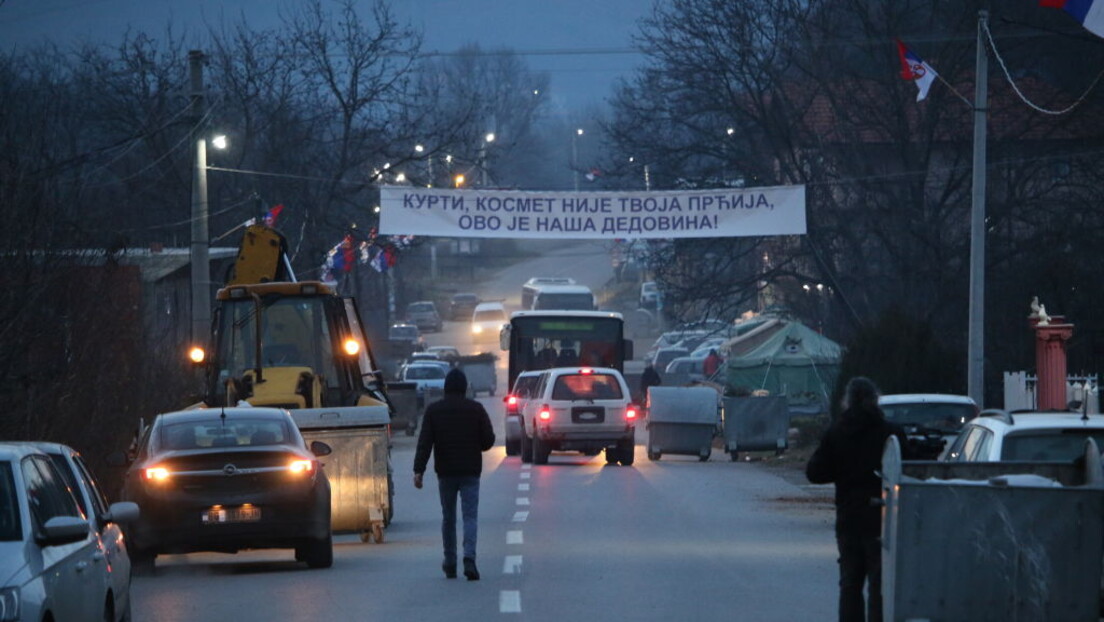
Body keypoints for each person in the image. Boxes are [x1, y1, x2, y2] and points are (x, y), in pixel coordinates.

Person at [806, 377, 908, 622]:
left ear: (848, 400)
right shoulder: (890, 433)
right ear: (874, 399)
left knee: (850, 583)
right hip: (882, 518)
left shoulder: (837, 433)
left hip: (849, 518)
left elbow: (815, 473)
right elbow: (907, 472)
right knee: (879, 584)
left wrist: (841, 469)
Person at [414, 368, 495, 580]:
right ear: (464, 387)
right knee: (470, 516)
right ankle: (469, 558)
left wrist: (418, 470)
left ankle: (450, 562)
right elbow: (488, 441)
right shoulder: (476, 409)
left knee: (448, 517)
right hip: (470, 472)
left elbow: (425, 443)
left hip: (446, 472)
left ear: (446, 387)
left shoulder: (433, 410)